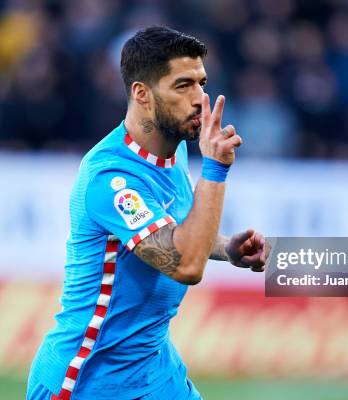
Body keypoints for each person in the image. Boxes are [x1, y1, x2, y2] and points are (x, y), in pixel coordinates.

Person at [27, 26, 270, 400]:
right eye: (182, 85)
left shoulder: (174, 151)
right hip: (92, 380)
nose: (199, 100)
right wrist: (215, 169)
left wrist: (225, 248)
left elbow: (175, 232)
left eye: (201, 84)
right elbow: (184, 265)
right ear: (142, 93)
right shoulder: (112, 179)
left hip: (155, 368)